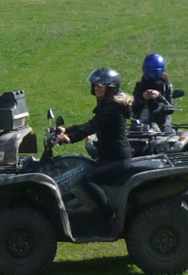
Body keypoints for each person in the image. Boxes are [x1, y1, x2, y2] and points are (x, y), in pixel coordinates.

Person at [54, 66, 135, 210]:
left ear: (110, 87)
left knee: (88, 179)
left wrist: (69, 138)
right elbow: (91, 123)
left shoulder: (113, 108)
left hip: (118, 159)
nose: (97, 88)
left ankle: (108, 215)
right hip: (108, 157)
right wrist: (66, 129)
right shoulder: (108, 104)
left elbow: (93, 126)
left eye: (101, 85)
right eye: (95, 85)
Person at [132, 53, 174, 126]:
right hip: (143, 125)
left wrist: (159, 97)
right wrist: (143, 98)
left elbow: (171, 108)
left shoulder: (166, 86)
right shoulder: (140, 86)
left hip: (163, 124)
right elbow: (133, 109)